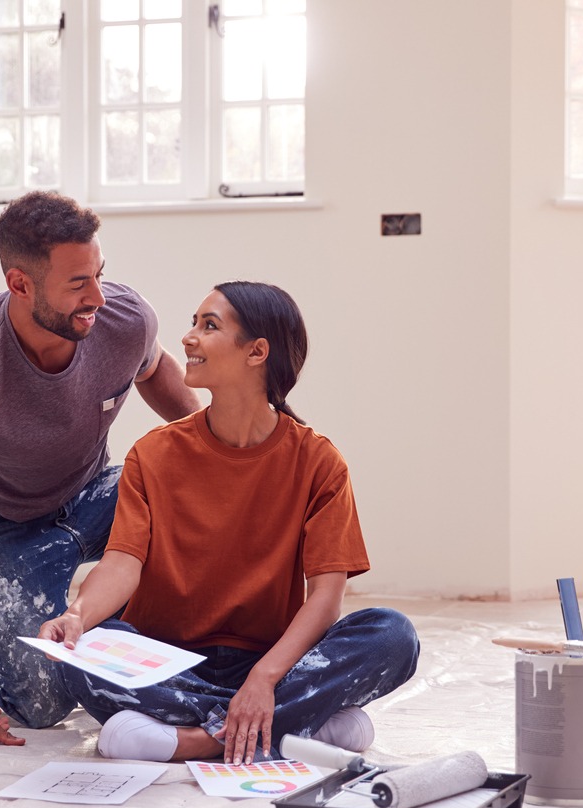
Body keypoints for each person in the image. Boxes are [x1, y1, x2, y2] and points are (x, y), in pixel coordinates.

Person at [38, 281, 420, 764]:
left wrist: (263, 680)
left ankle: (198, 739)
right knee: (88, 654)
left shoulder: (319, 462)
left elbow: (326, 597)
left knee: (392, 635)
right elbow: (121, 563)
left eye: (209, 326)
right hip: (164, 659)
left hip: (271, 662)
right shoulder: (154, 453)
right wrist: (77, 616)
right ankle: (294, 726)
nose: (188, 338)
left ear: (257, 352)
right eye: (194, 323)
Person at [0, 191, 200, 747]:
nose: (96, 295)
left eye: (99, 273)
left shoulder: (124, 320)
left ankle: (154, 637)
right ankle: (18, 632)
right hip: (4, 530)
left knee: (201, 484)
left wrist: (247, 459)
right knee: (40, 705)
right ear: (20, 284)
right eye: (77, 284)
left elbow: (176, 397)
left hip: (95, 496)